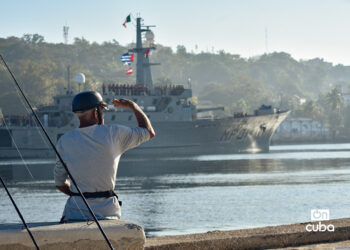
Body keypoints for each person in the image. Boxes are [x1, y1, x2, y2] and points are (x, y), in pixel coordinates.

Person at [54, 90, 155, 222]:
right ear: (96, 111)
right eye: (102, 109)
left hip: (74, 214)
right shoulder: (114, 133)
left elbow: (59, 183)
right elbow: (148, 132)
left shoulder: (64, 141)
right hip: (109, 214)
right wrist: (133, 106)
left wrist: (80, 195)